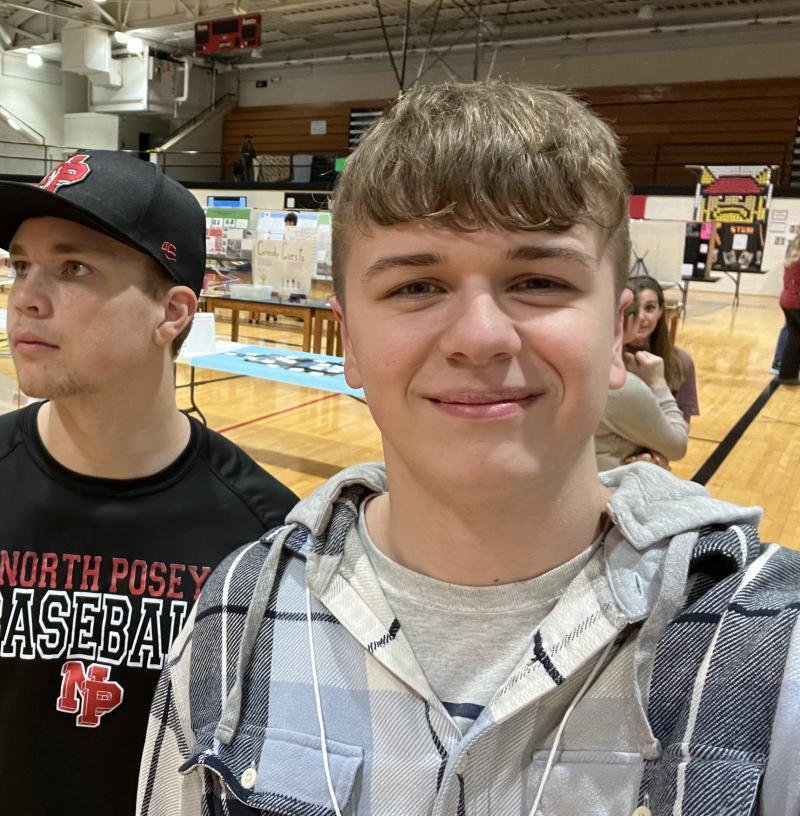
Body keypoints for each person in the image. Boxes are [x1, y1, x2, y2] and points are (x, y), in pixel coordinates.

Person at [138, 81, 800, 816]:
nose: (480, 338)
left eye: (538, 281)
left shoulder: (774, 651)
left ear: (616, 334)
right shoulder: (236, 616)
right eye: (417, 286)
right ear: (348, 341)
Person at [0, 150, 296, 816]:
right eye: (22, 265)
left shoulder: (265, 535)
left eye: (74, 268)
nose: (25, 297)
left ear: (172, 311)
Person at [595, 285, 688, 471]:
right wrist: (658, 383)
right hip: (612, 485)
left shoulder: (680, 360)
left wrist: (653, 456)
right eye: (641, 310)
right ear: (628, 318)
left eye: (651, 308)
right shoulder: (620, 383)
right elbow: (677, 445)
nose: (644, 318)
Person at [625, 274, 698, 423]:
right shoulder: (606, 357)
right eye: (633, 308)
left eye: (649, 308)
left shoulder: (681, 361)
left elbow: (683, 426)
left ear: (660, 311)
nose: (641, 316)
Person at [778, 233, 800, 386]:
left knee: (794, 337)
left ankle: (787, 374)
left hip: (787, 301)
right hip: (797, 302)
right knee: (794, 337)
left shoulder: (791, 260)